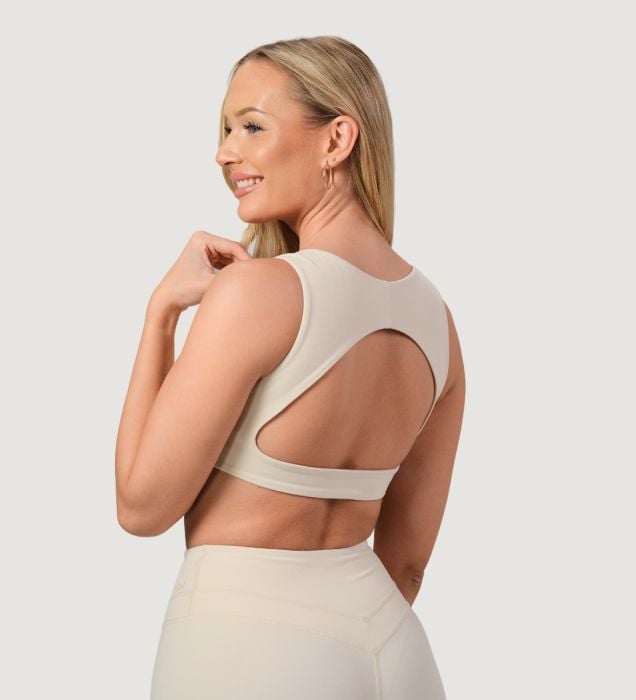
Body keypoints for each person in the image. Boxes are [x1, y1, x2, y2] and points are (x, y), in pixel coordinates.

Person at [115, 35, 466, 700]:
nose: (225, 152)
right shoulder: (437, 320)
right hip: (394, 651)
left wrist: (161, 312)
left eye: (251, 126)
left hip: (246, 649)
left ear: (337, 139)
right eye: (225, 130)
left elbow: (141, 506)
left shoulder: (256, 293)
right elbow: (407, 565)